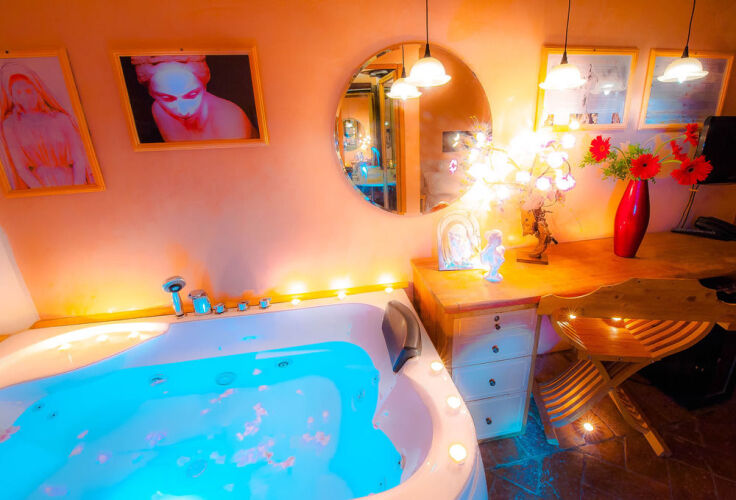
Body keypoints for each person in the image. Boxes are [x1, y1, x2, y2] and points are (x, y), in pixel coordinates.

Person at [0, 63, 93, 189]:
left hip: (71, 181)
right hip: (40, 185)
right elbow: (21, 168)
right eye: (18, 92)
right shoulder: (10, 125)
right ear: (12, 96)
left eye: (28, 90)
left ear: (38, 90)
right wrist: (42, 192)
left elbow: (79, 158)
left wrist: (78, 187)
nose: (25, 96)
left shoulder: (61, 119)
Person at [131, 55, 256, 142]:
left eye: (192, 95)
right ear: (152, 93)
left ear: (204, 86)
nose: (183, 110)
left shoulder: (230, 119)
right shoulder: (159, 111)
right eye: (167, 98)